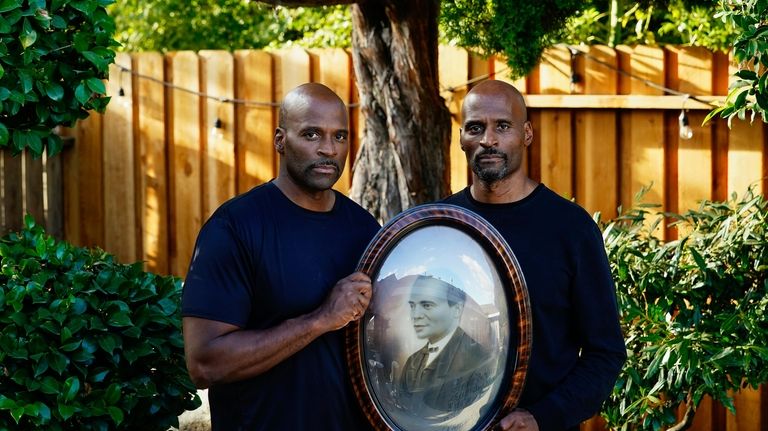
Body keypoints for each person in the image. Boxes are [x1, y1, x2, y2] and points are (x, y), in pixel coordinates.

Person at [181, 83, 380, 431]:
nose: (329, 149)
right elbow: (205, 363)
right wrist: (319, 319)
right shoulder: (235, 227)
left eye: (340, 137)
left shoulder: (363, 228)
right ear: (280, 141)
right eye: (312, 134)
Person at [443, 80, 627, 431]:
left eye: (503, 126)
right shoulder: (439, 226)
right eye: (476, 128)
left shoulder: (570, 229)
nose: (489, 140)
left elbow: (605, 353)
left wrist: (542, 418)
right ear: (462, 137)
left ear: (527, 134)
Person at [398, 275, 493, 413]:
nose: (415, 314)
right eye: (413, 305)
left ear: (457, 310)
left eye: (427, 305)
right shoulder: (411, 361)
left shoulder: (481, 360)